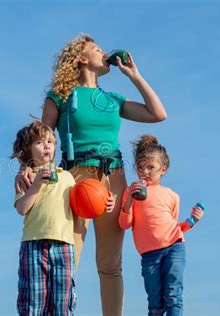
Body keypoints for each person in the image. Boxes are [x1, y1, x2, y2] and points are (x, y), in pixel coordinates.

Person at [15, 34, 167, 316]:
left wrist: (134, 74)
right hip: (75, 180)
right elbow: (41, 137)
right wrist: (26, 165)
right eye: (97, 49)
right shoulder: (60, 97)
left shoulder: (112, 99)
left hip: (114, 177)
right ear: (82, 58)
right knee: (67, 259)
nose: (104, 52)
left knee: (110, 264)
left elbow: (158, 114)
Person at [118, 134, 205, 316]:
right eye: (141, 167)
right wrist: (129, 202)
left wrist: (192, 220)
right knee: (155, 303)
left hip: (174, 247)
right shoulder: (130, 192)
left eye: (151, 167)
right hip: (149, 255)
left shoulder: (172, 195)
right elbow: (124, 224)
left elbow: (173, 227)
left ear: (163, 169)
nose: (145, 172)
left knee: (173, 296)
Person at [11, 120, 77, 315]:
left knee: (62, 302)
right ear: (28, 150)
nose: (47, 145)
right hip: (33, 244)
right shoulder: (27, 178)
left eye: (50, 141)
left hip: (64, 245)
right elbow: (22, 209)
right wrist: (36, 186)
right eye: (39, 142)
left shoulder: (67, 177)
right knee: (33, 300)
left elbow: (80, 206)